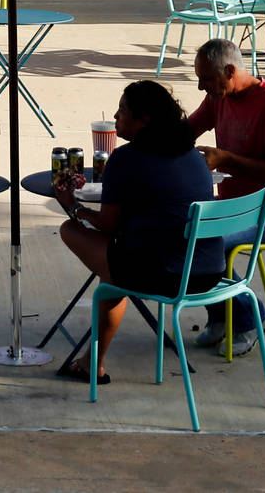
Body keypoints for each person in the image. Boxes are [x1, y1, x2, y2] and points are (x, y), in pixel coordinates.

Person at [52, 79, 219, 384]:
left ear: (145, 120)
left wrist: (73, 207)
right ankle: (92, 362)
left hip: (167, 274)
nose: (116, 117)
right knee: (115, 266)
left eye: (123, 110)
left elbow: (108, 224)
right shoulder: (194, 157)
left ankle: (94, 363)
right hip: (209, 271)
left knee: (71, 232)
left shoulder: (126, 158)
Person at [187, 38, 265, 356]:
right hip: (231, 210)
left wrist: (227, 159)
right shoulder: (218, 97)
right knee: (183, 232)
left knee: (207, 245)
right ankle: (223, 316)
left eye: (206, 79)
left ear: (229, 70)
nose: (201, 87)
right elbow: (187, 130)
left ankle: (250, 319)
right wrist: (146, 132)